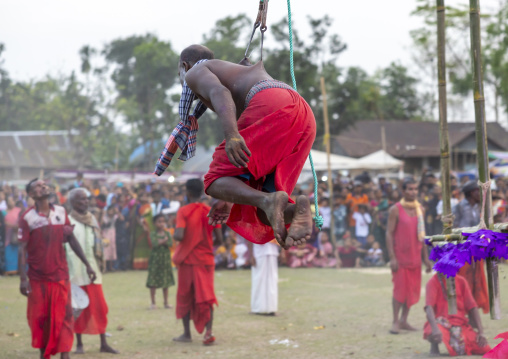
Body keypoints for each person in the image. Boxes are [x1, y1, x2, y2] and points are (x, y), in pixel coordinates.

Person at [154, 45, 316, 249]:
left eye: (180, 73)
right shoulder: (232, 74)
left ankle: (269, 201)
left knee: (213, 180)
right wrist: (229, 196)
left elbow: (218, 91)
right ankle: (299, 209)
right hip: (303, 113)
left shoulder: (195, 72)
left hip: (273, 103)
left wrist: (232, 135)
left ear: (185, 66)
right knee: (264, 214)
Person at [18, 179, 97, 359]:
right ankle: (43, 353)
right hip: (38, 278)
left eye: (44, 184)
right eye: (38, 186)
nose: (43, 186)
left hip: (60, 275)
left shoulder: (61, 212)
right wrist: (23, 279)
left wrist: (87, 264)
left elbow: (70, 239)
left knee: (65, 316)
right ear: (31, 194)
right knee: (39, 319)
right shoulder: (27, 217)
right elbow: (21, 249)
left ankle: (65, 355)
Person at [66, 188, 119, 355]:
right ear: (72, 202)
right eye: (81, 200)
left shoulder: (92, 219)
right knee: (78, 309)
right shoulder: (67, 221)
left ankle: (103, 343)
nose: (85, 202)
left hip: (93, 271)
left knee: (100, 308)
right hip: (75, 272)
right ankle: (79, 345)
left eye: (86, 199)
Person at [173, 179, 223, 345]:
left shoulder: (183, 211)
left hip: (187, 259)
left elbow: (179, 235)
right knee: (207, 295)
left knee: (185, 295)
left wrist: (174, 235)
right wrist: (205, 243)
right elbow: (219, 239)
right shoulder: (210, 211)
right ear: (202, 191)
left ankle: (186, 334)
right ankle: (208, 332)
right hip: (206, 259)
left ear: (187, 192)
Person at [386, 178, 432, 334]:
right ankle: (395, 321)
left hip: (415, 257)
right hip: (400, 258)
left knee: (412, 290)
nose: (413, 192)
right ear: (403, 191)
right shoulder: (395, 209)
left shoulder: (421, 209)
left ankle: (404, 320)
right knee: (399, 290)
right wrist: (392, 257)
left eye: (415, 189)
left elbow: (422, 235)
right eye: (410, 189)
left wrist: (426, 258)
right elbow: (389, 233)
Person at [424, 273, 490, 356]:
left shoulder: (461, 281)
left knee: (485, 348)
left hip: (461, 325)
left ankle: (460, 344)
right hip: (441, 324)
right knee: (432, 329)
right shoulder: (432, 282)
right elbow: (428, 307)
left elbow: (472, 307)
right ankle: (434, 346)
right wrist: (435, 329)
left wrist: (481, 332)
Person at [453, 180, 489, 314]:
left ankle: (473, 307)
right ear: (470, 193)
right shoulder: (459, 207)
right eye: (476, 191)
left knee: (477, 278)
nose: (479, 194)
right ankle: (463, 307)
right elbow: (454, 227)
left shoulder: (479, 207)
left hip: (476, 248)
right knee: (464, 277)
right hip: (463, 248)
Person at [144, 213, 175, 309]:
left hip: (165, 259)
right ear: (154, 223)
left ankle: (166, 302)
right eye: (159, 222)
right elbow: (154, 244)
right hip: (155, 260)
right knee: (153, 280)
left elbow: (170, 243)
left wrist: (163, 241)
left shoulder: (167, 233)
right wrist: (163, 241)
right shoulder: (153, 234)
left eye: (163, 222)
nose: (161, 224)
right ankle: (153, 303)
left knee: (165, 281)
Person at [249, 239, 279, 315]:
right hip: (259, 252)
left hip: (272, 250)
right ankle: (258, 308)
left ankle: (271, 308)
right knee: (259, 280)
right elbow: (249, 236)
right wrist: (251, 255)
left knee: (271, 280)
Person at [101, 206, 118, 272]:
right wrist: (103, 214)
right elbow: (102, 223)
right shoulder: (105, 217)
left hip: (112, 234)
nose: (110, 212)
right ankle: (104, 267)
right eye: (109, 210)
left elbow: (122, 218)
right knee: (105, 249)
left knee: (112, 249)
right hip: (106, 234)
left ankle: (110, 267)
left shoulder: (114, 217)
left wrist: (117, 211)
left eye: (112, 210)